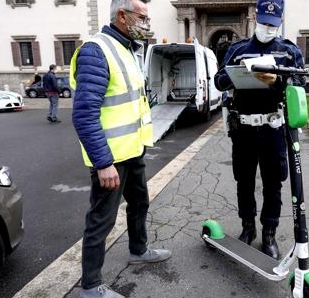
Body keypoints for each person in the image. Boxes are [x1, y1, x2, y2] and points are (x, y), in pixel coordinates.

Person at [70, 1, 171, 297]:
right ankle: (90, 285)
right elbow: (84, 113)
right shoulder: (96, 50)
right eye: (142, 17)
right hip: (111, 157)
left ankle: (138, 250)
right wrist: (103, 163)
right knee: (101, 219)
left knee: (140, 204)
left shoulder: (127, 49)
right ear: (122, 16)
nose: (147, 23)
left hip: (133, 150)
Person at [214, 0, 305, 260]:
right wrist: (236, 74)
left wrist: (278, 80)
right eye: (264, 23)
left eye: (273, 25)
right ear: (256, 17)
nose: (268, 28)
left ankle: (269, 232)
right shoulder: (238, 49)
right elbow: (218, 81)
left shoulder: (288, 52)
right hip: (243, 128)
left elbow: (299, 84)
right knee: (244, 181)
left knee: (273, 182)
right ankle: (248, 227)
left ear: (280, 23)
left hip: (272, 127)